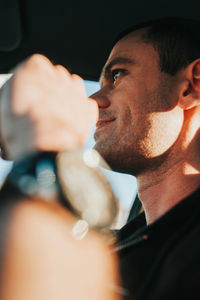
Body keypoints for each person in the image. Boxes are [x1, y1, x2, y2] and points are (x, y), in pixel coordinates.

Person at [1, 17, 200, 299]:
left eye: (117, 75)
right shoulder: (116, 246)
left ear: (192, 85)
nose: (95, 100)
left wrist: (45, 147)